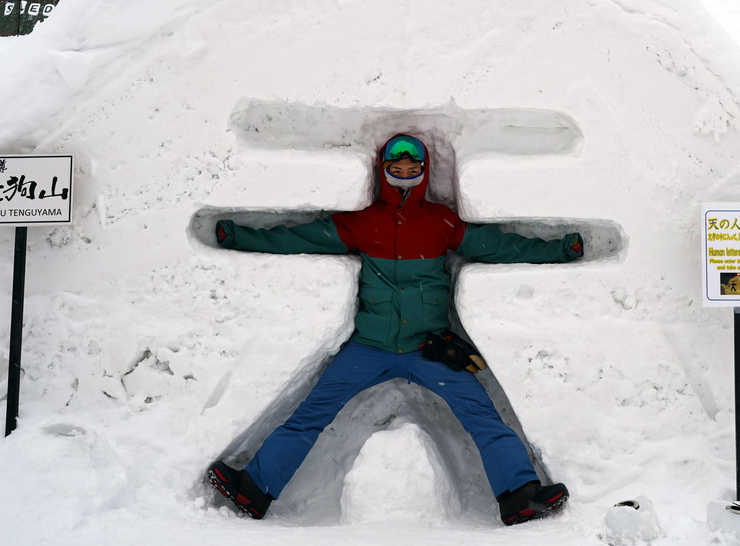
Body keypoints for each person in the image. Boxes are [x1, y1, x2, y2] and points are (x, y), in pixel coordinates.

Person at [207, 133, 584, 525]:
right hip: (369, 348)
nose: (404, 174)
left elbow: (503, 246)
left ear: (423, 172)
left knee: (482, 417)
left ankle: (519, 496)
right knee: (310, 415)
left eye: (412, 169)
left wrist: (560, 250)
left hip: (431, 351)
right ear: (383, 171)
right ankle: (253, 490)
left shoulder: (440, 222)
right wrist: (236, 235)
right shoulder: (364, 223)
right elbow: (295, 238)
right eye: (396, 168)